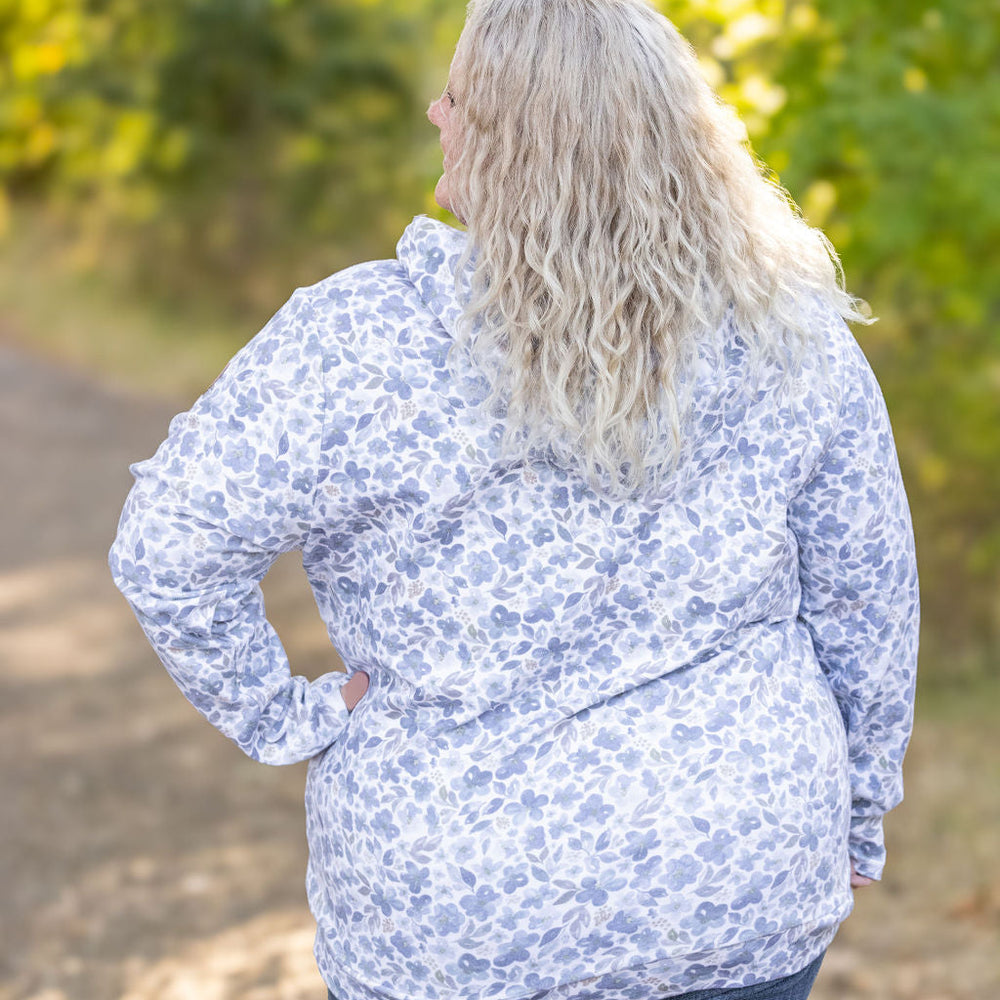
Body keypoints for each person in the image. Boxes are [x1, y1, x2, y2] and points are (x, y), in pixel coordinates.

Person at [109, 1, 919, 999]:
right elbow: (864, 607)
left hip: (463, 923)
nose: (435, 111)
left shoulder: (362, 342)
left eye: (462, 97)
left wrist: (286, 717)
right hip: (738, 881)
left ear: (518, 142)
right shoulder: (792, 334)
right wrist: (857, 809)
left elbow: (168, 547)